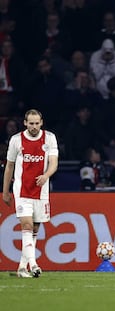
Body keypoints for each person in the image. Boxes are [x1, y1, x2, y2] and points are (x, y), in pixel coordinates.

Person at [2, 109, 59, 278]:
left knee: (34, 229)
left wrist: (46, 176)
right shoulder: (16, 140)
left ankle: (21, 267)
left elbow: (54, 162)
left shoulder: (49, 138)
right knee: (26, 225)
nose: (34, 126)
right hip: (22, 190)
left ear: (41, 123)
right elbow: (9, 167)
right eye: (30, 123)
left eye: (37, 123)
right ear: (25, 123)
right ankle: (34, 265)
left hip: (41, 192)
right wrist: (5, 191)